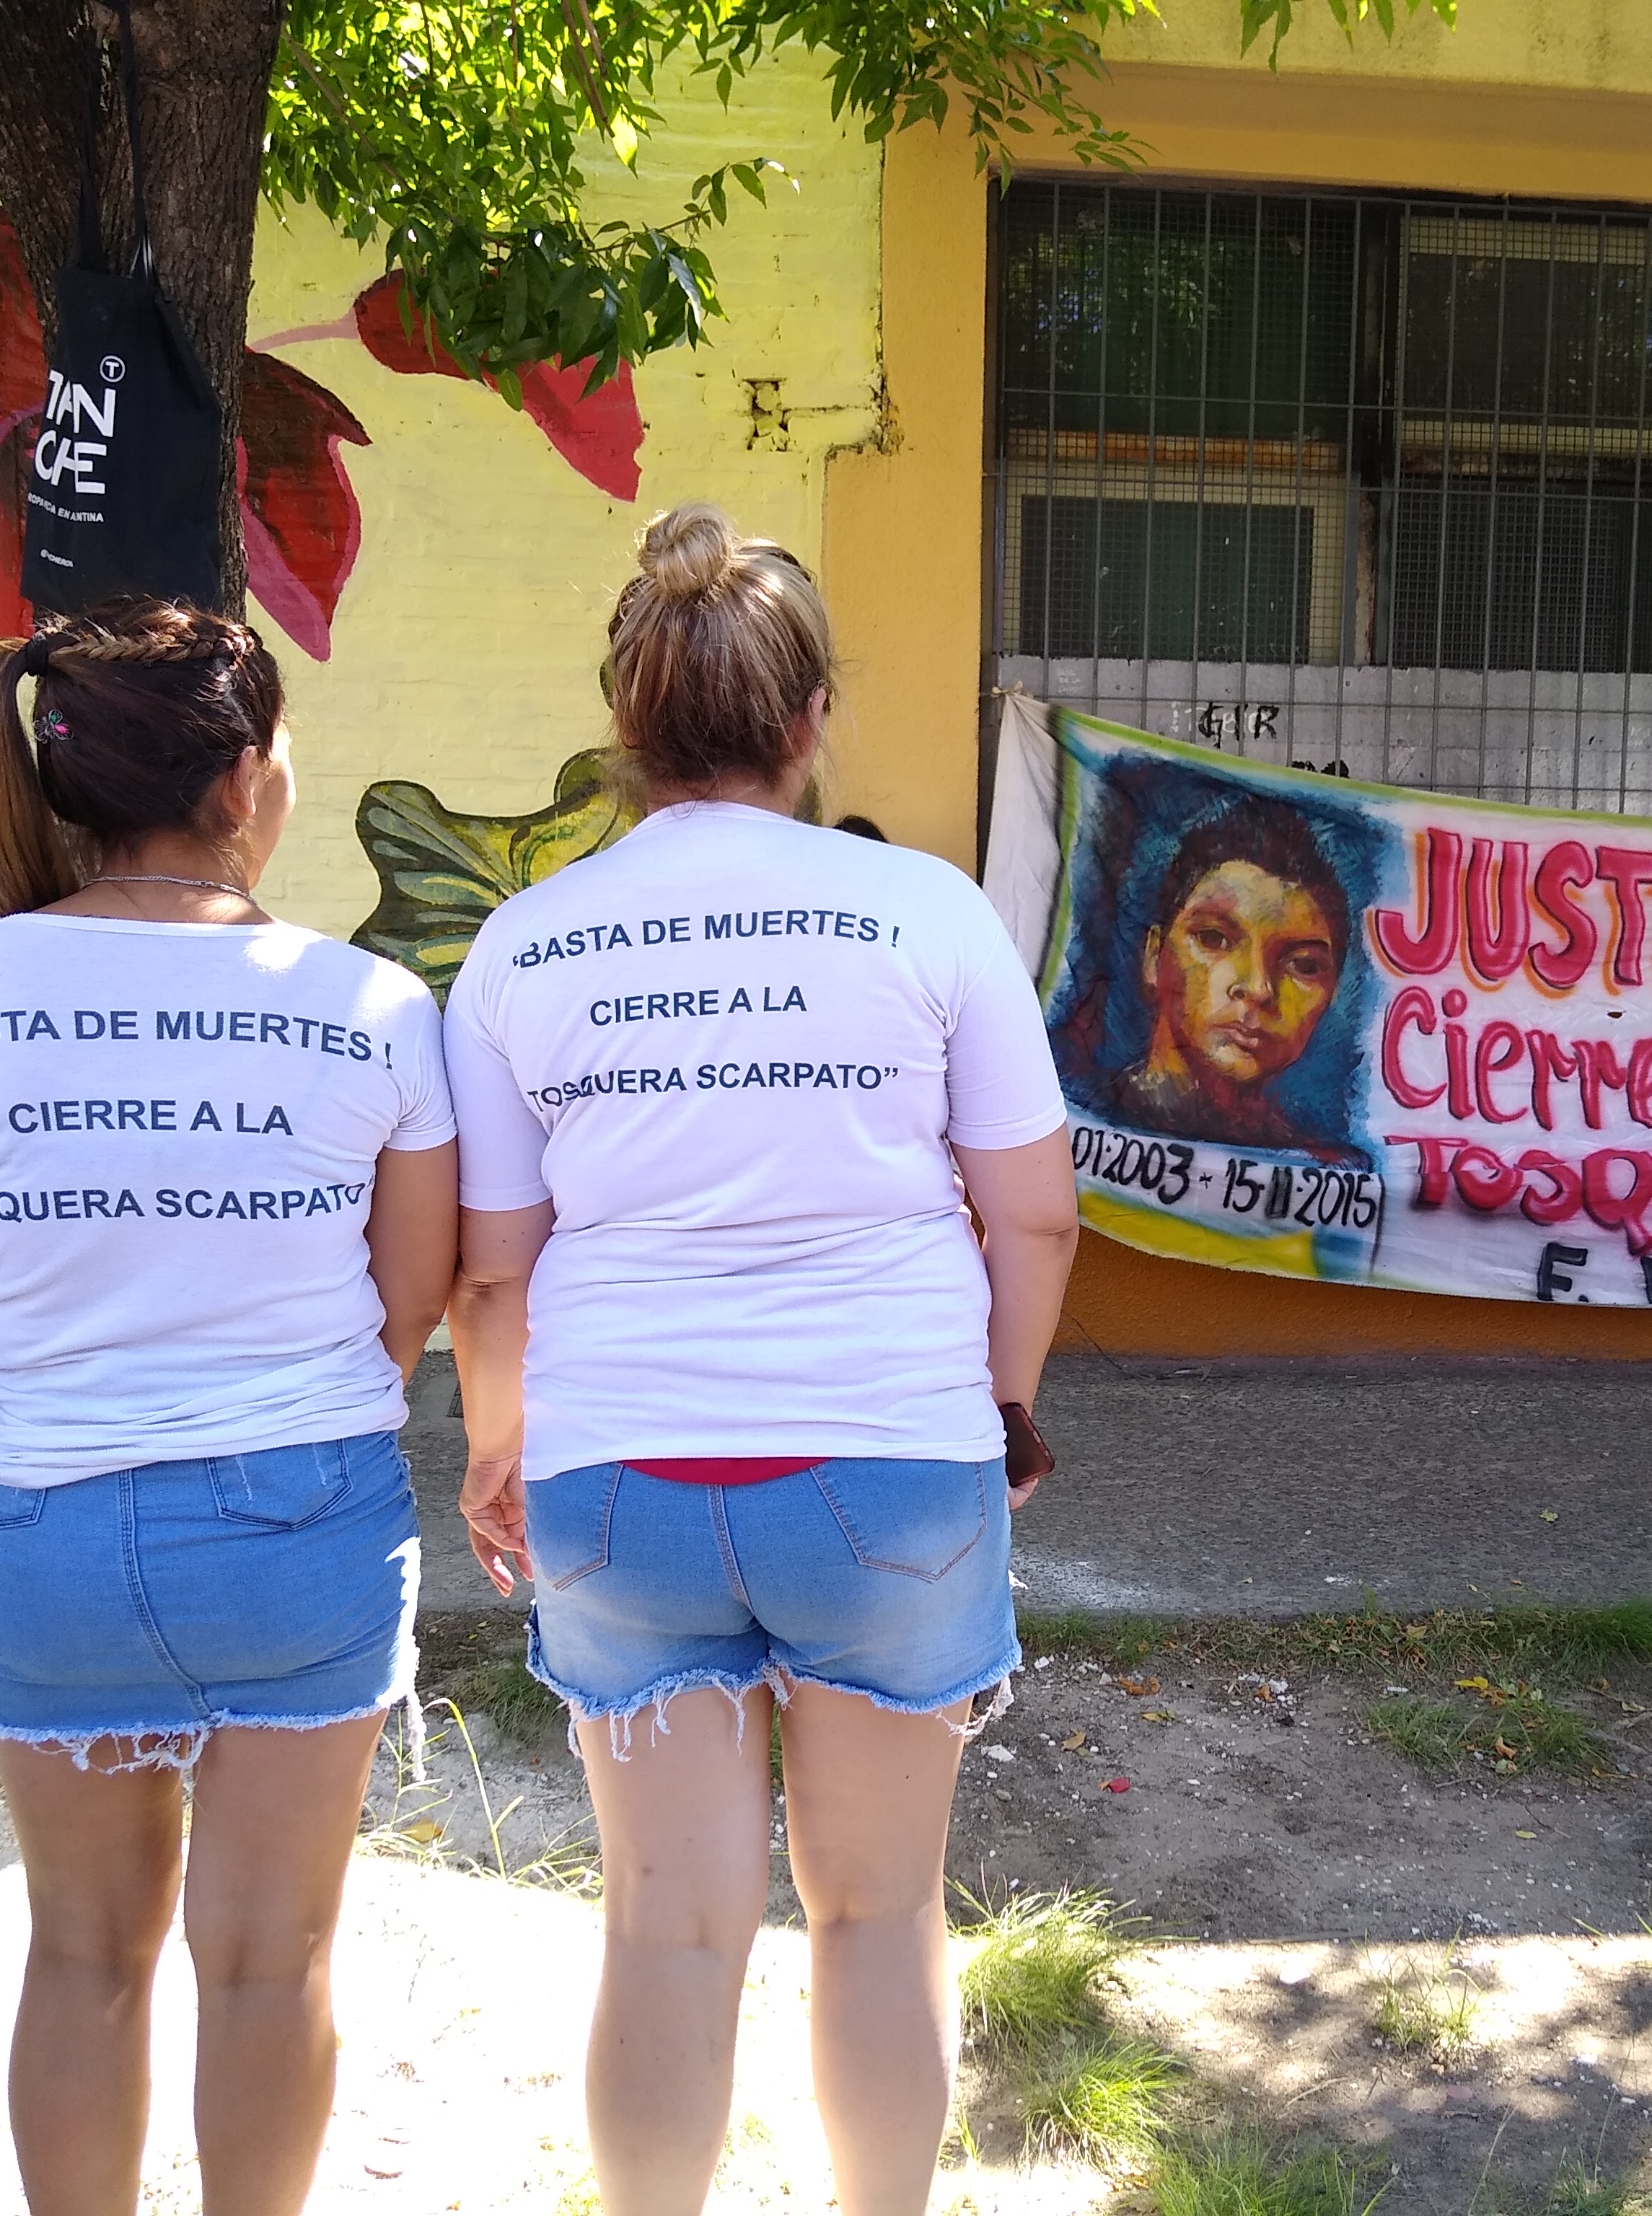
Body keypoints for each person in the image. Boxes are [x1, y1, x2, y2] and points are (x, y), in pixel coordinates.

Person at [444, 504, 1079, 2216]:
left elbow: (493, 1269)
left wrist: (497, 1447)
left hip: (616, 1484)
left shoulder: (521, 944)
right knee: (879, 1911)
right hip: (891, 1471)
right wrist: (1003, 1407)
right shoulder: (925, 913)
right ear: (809, 719)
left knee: (664, 1927)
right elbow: (1034, 1218)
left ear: (624, 723)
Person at [0, 599, 458, 2216]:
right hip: (300, 1524)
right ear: (245, 779)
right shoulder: (371, 1004)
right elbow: (411, 1301)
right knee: (270, 1962)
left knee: (78, 1955)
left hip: (43, 1529)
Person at [1100, 793, 1354, 1153]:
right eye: (1213, 939)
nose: (1259, 988)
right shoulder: (1081, 1118)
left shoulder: (1315, 1166)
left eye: (1304, 966)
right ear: (1155, 957)